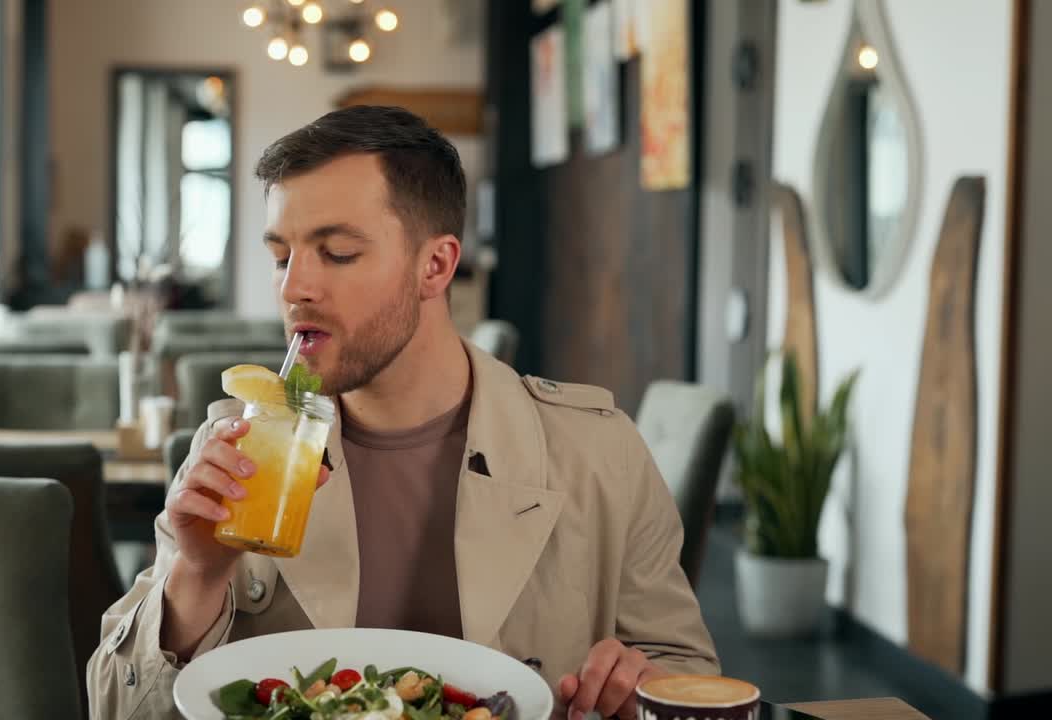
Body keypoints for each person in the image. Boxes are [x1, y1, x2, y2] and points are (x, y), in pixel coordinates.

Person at [88, 106, 718, 720]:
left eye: (336, 253)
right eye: (283, 255)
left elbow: (695, 684)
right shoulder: (241, 447)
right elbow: (116, 708)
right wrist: (196, 576)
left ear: (436, 265)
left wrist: (647, 690)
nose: (293, 287)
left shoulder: (597, 454)